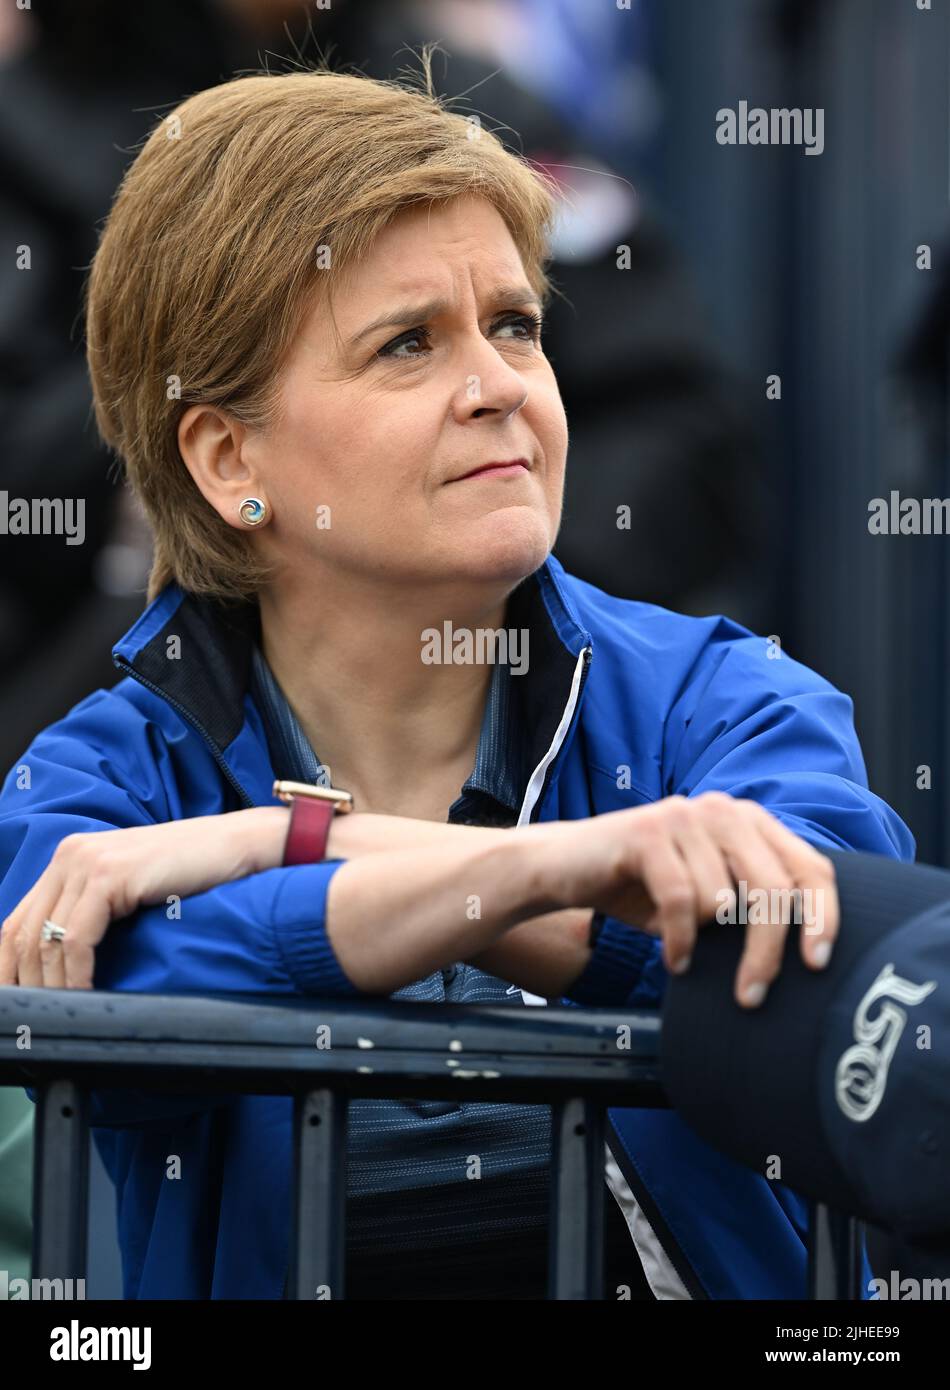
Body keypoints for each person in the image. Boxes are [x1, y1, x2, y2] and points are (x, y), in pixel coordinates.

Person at [0, 58, 913, 1300]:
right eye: (408, 345)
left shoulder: (725, 700)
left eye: (515, 324)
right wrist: (559, 868)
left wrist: (300, 843)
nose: (499, 388)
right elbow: (121, 1003)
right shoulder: (100, 782)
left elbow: (813, 967)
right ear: (227, 459)